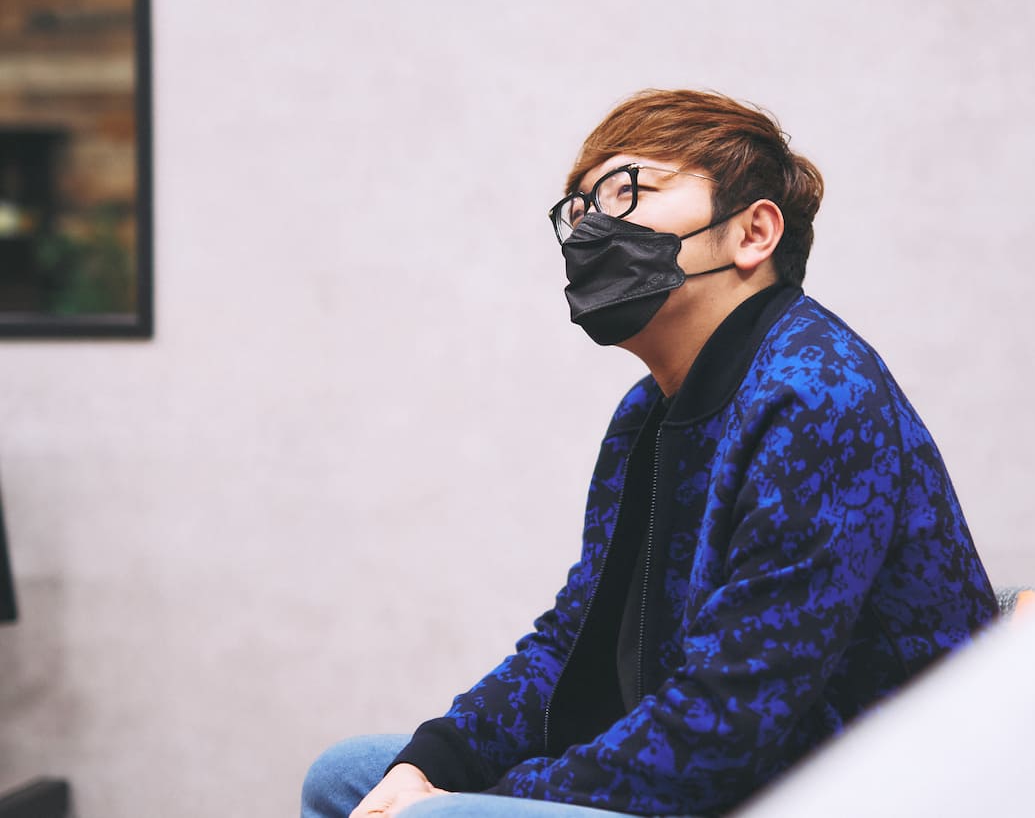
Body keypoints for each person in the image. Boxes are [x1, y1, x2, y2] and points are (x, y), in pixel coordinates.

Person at [302, 89, 998, 818]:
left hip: (856, 792)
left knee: (432, 816)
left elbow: (729, 721)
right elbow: (576, 639)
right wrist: (432, 764)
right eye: (580, 207)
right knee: (349, 777)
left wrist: (471, 801)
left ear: (753, 233)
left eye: (627, 190)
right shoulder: (646, 414)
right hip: (714, 767)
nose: (590, 228)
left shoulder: (817, 392)